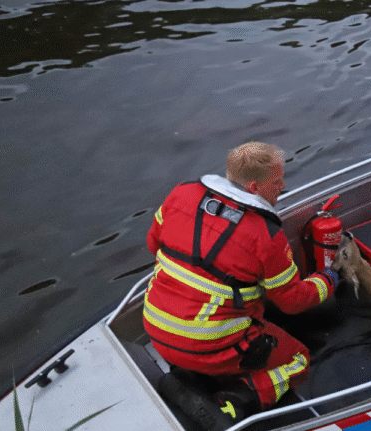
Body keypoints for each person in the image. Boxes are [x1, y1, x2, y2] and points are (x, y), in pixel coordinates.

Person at [143, 142, 338, 427]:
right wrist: (328, 280)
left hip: (156, 326)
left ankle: (191, 376)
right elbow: (292, 301)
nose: (283, 187)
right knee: (298, 360)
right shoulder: (266, 235)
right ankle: (237, 401)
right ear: (255, 188)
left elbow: (153, 245)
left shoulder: (181, 194)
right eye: (277, 181)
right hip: (206, 342)